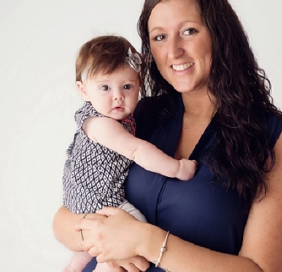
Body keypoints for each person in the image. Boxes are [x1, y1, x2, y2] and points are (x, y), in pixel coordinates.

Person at [54, 0, 282, 271]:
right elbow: (63, 221)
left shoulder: (274, 138)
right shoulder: (135, 116)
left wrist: (145, 241)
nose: (173, 51)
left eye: (189, 31)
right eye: (160, 37)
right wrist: (100, 237)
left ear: (219, 33)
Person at [61, 35, 197, 272]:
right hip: (99, 197)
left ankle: (74, 267)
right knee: (135, 228)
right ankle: (105, 266)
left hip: (82, 197)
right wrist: (176, 168)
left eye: (127, 86)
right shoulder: (102, 124)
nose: (118, 96)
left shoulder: (116, 118)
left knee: (93, 241)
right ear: (83, 90)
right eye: (105, 87)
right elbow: (137, 150)